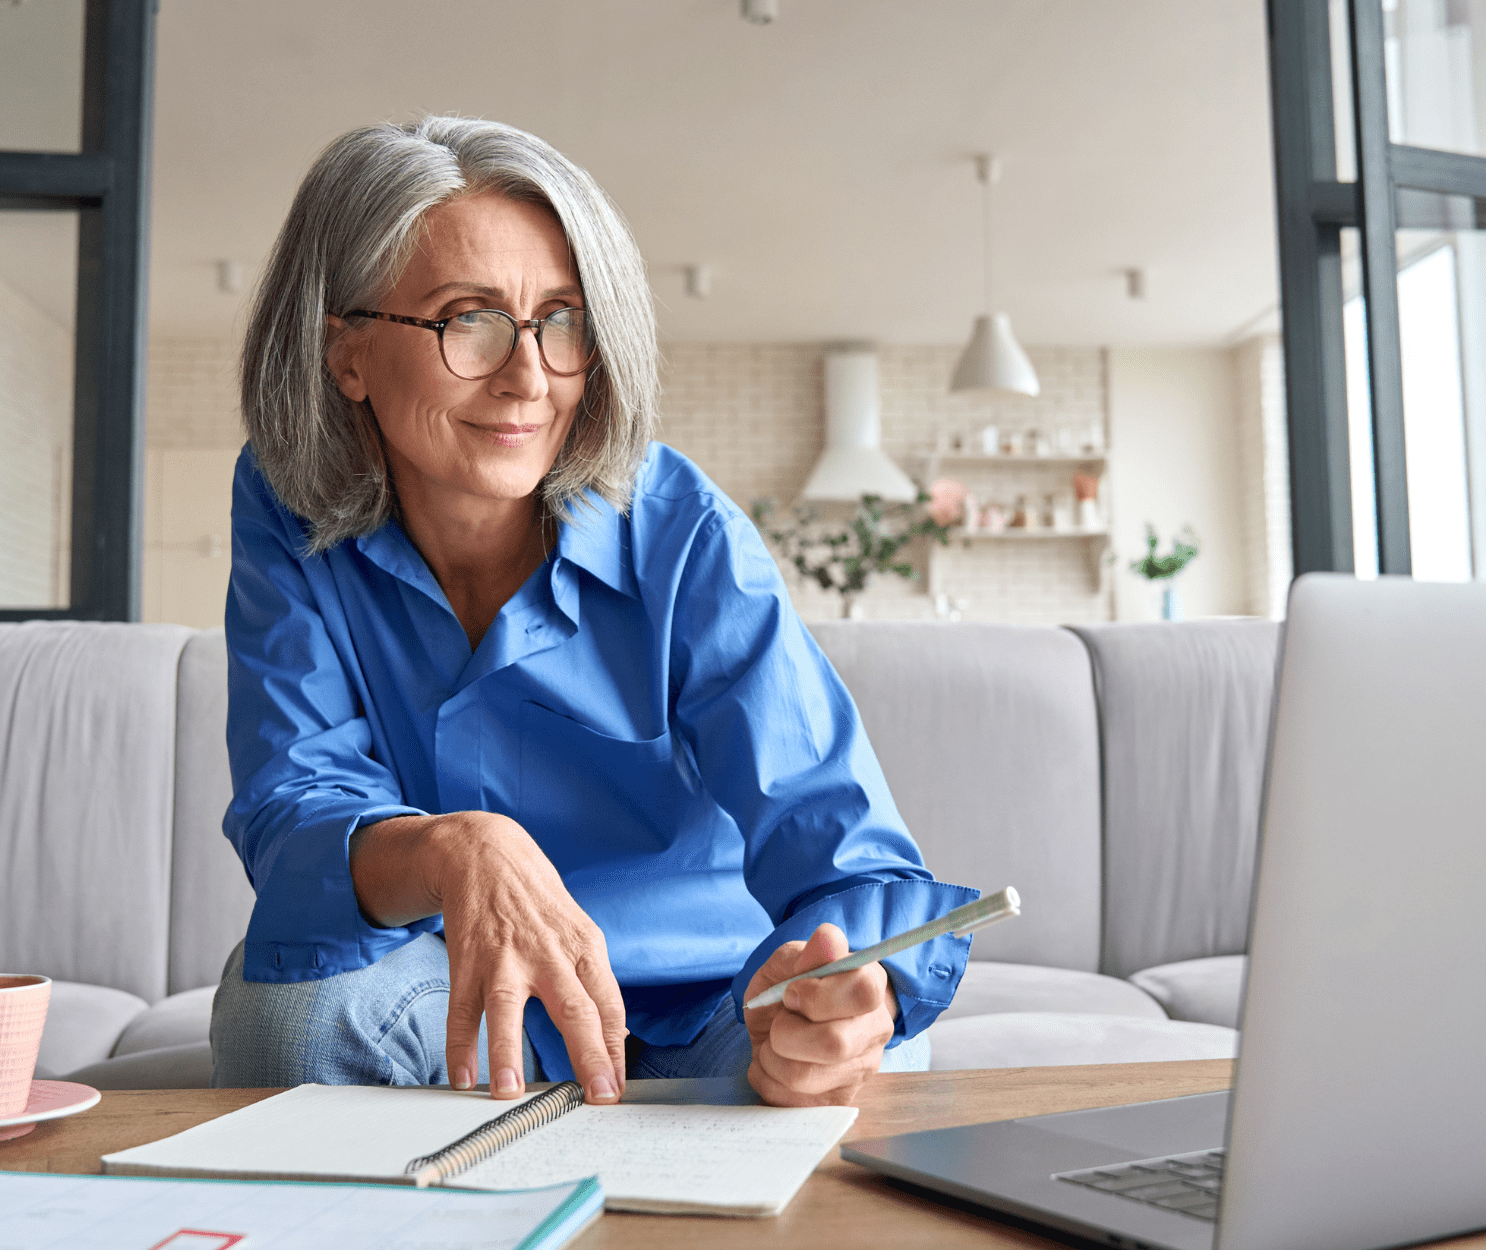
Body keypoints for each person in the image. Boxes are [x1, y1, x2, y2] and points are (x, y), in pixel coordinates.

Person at [209, 116, 976, 1108]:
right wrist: (452, 849)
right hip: (454, 990)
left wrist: (852, 994)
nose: (530, 378)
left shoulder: (684, 530)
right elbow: (295, 803)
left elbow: (843, 849)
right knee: (287, 1017)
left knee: (863, 1066)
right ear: (345, 352)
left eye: (562, 321)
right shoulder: (286, 505)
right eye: (468, 320)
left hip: (712, 1003)